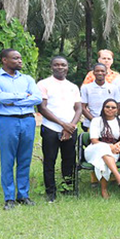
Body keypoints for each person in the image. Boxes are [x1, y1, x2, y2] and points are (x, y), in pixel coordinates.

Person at [0, 49, 43, 210]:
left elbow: (37, 98)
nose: (20, 61)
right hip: (7, 122)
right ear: (4, 60)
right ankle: (9, 198)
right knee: (7, 160)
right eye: (15, 58)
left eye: (20, 58)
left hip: (28, 121)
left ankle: (23, 195)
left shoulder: (27, 79)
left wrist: (13, 100)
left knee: (25, 159)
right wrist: (24, 96)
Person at [37, 56, 82, 202]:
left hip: (71, 128)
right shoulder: (43, 84)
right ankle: (51, 192)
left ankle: (67, 188)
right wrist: (63, 125)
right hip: (51, 128)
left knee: (69, 160)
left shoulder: (73, 86)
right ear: (51, 67)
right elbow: (42, 108)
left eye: (63, 65)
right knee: (50, 160)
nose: (60, 67)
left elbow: (78, 108)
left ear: (68, 67)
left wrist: (71, 127)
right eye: (56, 65)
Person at [85, 99, 120, 199]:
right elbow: (94, 140)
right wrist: (110, 146)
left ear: (117, 109)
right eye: (107, 107)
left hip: (114, 150)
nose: (110, 109)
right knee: (103, 148)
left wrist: (117, 145)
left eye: (113, 107)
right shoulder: (97, 120)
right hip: (94, 149)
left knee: (103, 161)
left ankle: (104, 189)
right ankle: (118, 177)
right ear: (103, 108)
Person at [80, 63, 120, 131]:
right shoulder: (86, 88)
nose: (100, 73)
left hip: (109, 123)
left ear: (106, 73)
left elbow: (118, 105)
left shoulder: (114, 88)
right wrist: (95, 121)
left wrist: (109, 119)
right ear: (93, 73)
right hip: (91, 123)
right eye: (97, 71)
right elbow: (82, 107)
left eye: (102, 71)